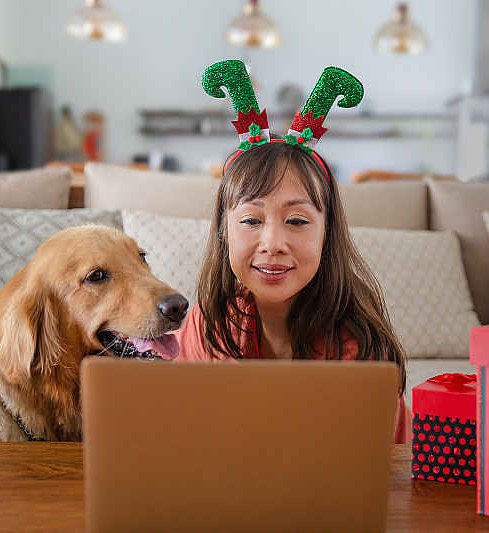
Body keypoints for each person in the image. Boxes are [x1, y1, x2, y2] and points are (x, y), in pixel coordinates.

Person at [174, 60, 411, 443]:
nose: (272, 243)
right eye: (250, 221)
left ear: (326, 232)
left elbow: (382, 466)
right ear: (224, 233)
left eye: (297, 221)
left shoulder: (358, 348)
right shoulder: (205, 326)